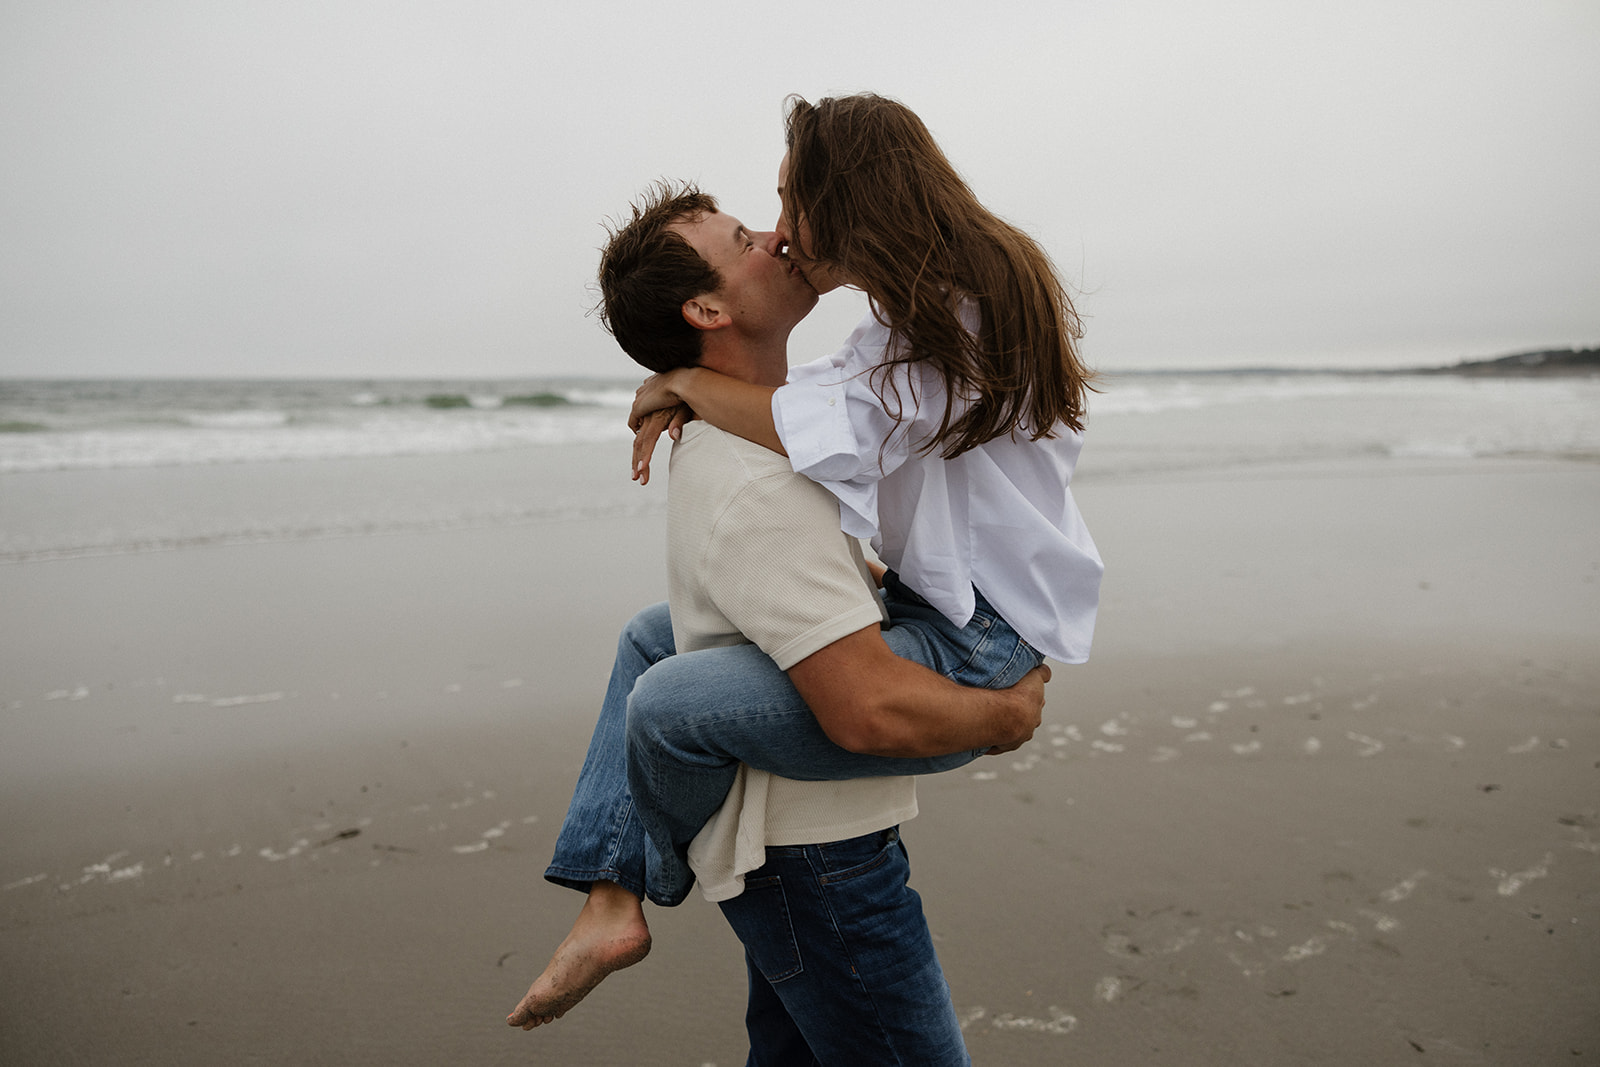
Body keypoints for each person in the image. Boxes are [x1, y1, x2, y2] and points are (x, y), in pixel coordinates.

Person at [511, 91, 1101, 1034]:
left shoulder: (940, 339)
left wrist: (683, 380)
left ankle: (630, 885)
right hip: (930, 649)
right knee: (649, 648)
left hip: (977, 637)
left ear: (853, 199)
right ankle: (612, 893)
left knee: (663, 693)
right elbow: (824, 407)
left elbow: (816, 420)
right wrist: (696, 386)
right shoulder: (929, 321)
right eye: (754, 227)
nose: (780, 232)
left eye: (786, 204)